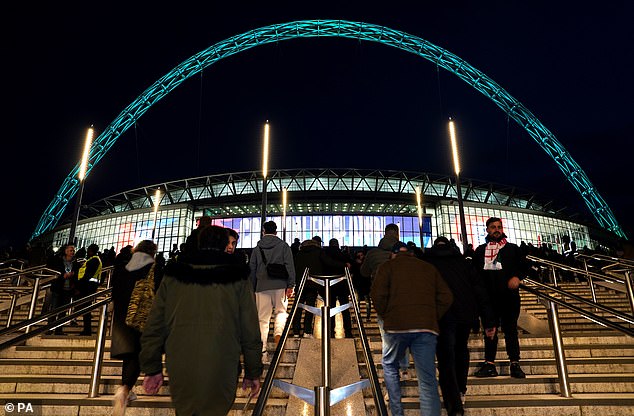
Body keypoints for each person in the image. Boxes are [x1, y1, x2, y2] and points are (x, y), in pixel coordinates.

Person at [140, 225, 262, 415]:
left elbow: (154, 325)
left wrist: (152, 367)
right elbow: (250, 328)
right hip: (222, 361)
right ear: (224, 245)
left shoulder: (174, 275)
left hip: (180, 361)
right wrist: (253, 371)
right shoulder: (238, 277)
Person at [371, 241, 453, 416]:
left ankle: (397, 412)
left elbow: (377, 296)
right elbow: (446, 296)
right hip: (426, 328)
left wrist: (388, 315)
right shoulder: (428, 268)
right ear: (410, 253)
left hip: (397, 328)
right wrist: (431, 315)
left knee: (389, 364)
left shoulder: (387, 267)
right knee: (427, 379)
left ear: (393, 254)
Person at [423, 236, 496, 416]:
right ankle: (461, 390)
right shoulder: (464, 263)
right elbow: (480, 291)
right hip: (465, 315)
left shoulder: (427, 263)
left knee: (446, 358)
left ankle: (454, 405)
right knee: (461, 350)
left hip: (441, 316)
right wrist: (488, 321)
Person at [473, 217, 527, 379]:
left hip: (509, 298)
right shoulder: (481, 251)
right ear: (487, 230)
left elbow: (524, 265)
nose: (496, 229)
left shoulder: (512, 249)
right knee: (490, 331)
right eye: (493, 227)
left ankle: (514, 363)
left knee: (510, 330)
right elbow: (475, 276)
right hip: (489, 299)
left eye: (499, 226)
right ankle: (489, 364)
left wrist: (517, 277)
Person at [110, 242, 155, 416]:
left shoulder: (122, 268)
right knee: (138, 354)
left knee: (129, 355)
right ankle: (126, 389)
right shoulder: (153, 267)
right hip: (142, 317)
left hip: (122, 318)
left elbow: (115, 293)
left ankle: (126, 389)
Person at [249, 221, 296, 361]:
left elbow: (252, 268)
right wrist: (291, 284)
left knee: (262, 319)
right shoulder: (283, 246)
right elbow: (290, 266)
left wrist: (252, 287)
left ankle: (262, 351)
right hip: (280, 284)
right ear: (276, 232)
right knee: (281, 312)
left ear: (264, 231)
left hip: (261, 286)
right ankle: (278, 335)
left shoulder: (257, 248)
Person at [322, 238, 353, 338]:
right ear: (338, 245)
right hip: (342, 285)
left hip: (329, 285)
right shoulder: (343, 255)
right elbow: (350, 266)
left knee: (330, 309)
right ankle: (348, 331)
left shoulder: (325, 254)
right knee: (345, 309)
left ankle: (330, 331)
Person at [46, 244, 79, 335]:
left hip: (68, 289)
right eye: (70, 250)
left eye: (73, 251)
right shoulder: (57, 260)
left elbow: (78, 275)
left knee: (63, 311)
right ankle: (50, 328)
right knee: (54, 309)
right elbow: (52, 272)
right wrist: (62, 276)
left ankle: (59, 330)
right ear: (65, 251)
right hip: (58, 288)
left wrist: (73, 275)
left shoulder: (75, 262)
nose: (72, 252)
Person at [75, 243, 102, 336]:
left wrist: (79, 286)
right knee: (85, 308)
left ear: (92, 251)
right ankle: (86, 329)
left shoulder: (93, 260)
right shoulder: (93, 260)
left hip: (88, 287)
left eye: (89, 250)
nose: (87, 251)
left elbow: (87, 275)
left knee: (86, 309)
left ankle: (87, 330)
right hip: (90, 286)